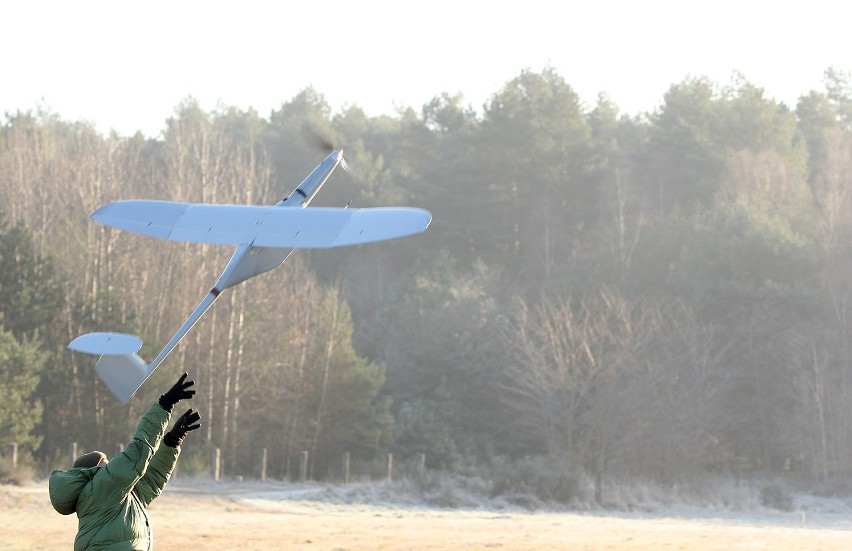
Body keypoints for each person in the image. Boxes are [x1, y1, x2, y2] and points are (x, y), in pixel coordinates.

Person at [49, 373, 201, 551]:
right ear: (92, 472)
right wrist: (165, 404)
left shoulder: (116, 497)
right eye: (105, 463)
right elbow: (138, 452)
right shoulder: (101, 487)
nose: (110, 464)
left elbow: (152, 479)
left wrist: (172, 441)